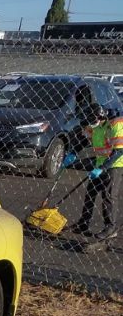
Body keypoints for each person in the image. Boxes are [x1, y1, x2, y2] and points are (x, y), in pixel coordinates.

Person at [65, 103, 123, 248]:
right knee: (91, 192)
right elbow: (84, 140)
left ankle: (111, 228)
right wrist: (73, 153)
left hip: (115, 164)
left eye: (92, 121)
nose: (90, 125)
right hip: (100, 163)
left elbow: (119, 151)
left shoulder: (115, 124)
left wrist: (102, 168)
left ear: (100, 116)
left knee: (109, 196)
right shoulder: (94, 125)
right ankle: (83, 224)